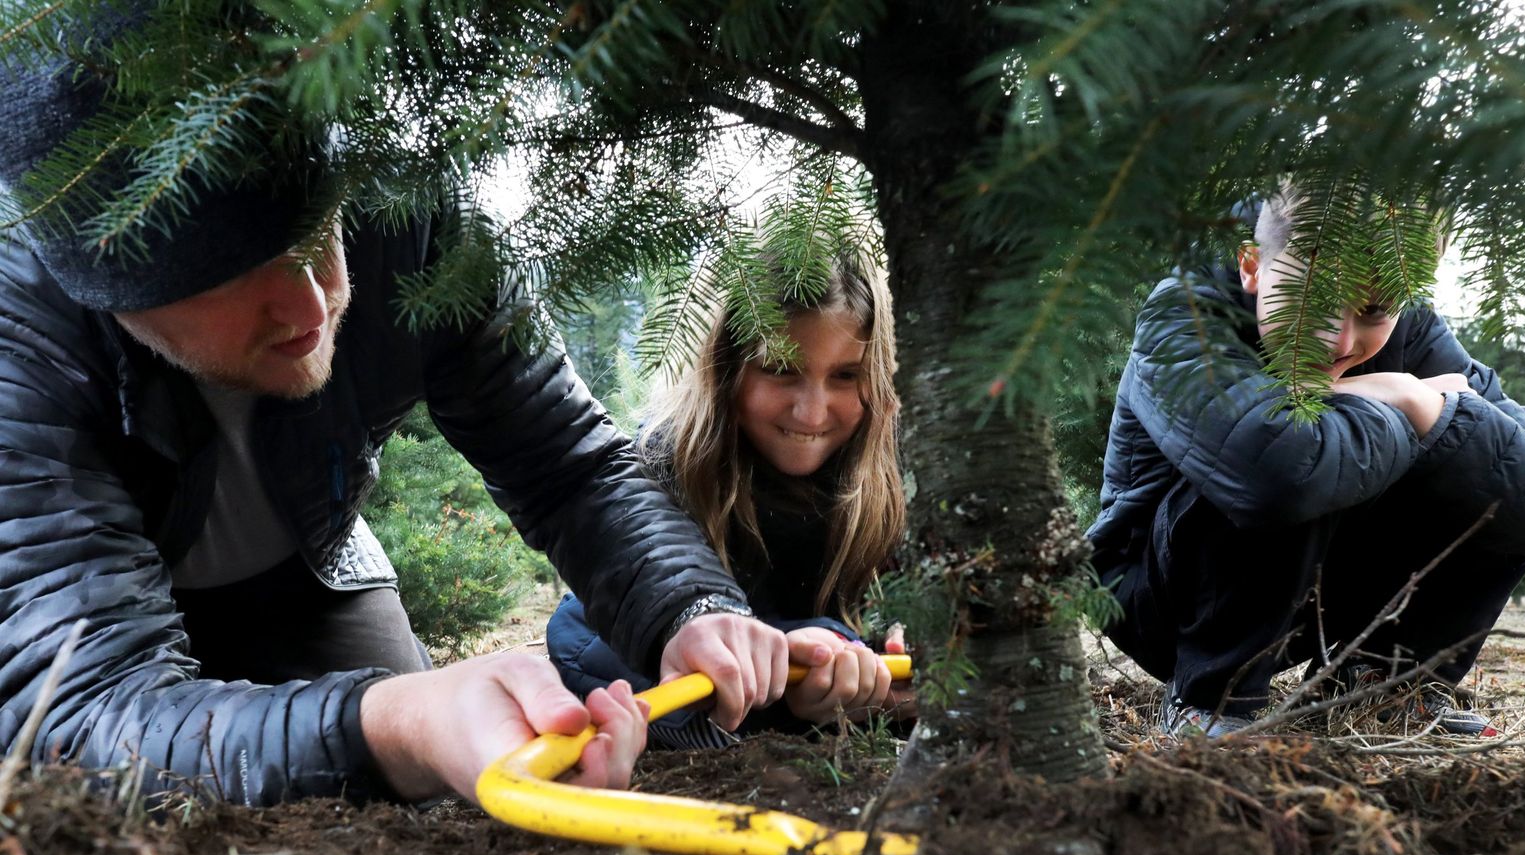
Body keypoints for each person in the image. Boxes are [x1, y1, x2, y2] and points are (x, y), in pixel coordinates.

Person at [0, 26, 793, 808]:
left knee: (430, 792)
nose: (311, 305)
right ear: (103, 286)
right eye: (230, 275)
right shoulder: (21, 337)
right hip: (81, 622)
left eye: (315, 229)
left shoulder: (407, 216)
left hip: (309, 566)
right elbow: (83, 709)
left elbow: (567, 466)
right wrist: (402, 724)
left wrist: (689, 606)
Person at [1088, 188, 1525, 738]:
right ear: (1251, 266)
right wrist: (1407, 400)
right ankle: (1210, 703)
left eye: (1374, 311)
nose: (1338, 340)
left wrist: (1420, 404)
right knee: (1306, 449)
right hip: (1155, 597)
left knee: (1509, 446)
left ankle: (1381, 685)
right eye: (1313, 299)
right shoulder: (1185, 314)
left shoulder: (1416, 331)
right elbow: (1278, 474)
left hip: (1302, 590)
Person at [548, 244, 913, 747]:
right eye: (781, 369)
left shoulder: (898, 474)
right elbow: (586, 632)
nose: (811, 413)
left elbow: (915, 617)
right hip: (712, 680)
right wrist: (790, 667)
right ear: (725, 367)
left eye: (846, 376)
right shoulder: (666, 463)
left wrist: (878, 662)